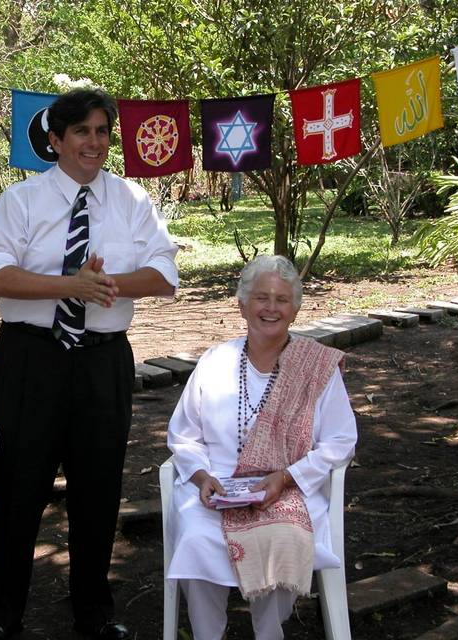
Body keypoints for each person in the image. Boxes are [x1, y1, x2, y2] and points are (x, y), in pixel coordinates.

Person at [0, 87, 179, 640]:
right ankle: (6, 617)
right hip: (29, 361)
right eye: (82, 132)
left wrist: (101, 286)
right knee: (18, 489)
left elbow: (164, 275)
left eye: (102, 132)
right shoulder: (20, 201)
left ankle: (94, 614)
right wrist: (71, 285)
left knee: (98, 488)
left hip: (101, 364)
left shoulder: (133, 200)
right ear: (56, 140)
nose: (94, 143)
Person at [165, 255, 357, 640]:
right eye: (261, 297)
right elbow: (184, 435)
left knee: (282, 535)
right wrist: (202, 477)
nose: (271, 308)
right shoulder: (215, 361)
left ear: (296, 310)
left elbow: (341, 441)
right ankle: (207, 635)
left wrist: (286, 477)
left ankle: (269, 632)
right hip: (216, 490)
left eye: (282, 299)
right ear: (241, 305)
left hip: (288, 490)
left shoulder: (315, 367)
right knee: (197, 536)